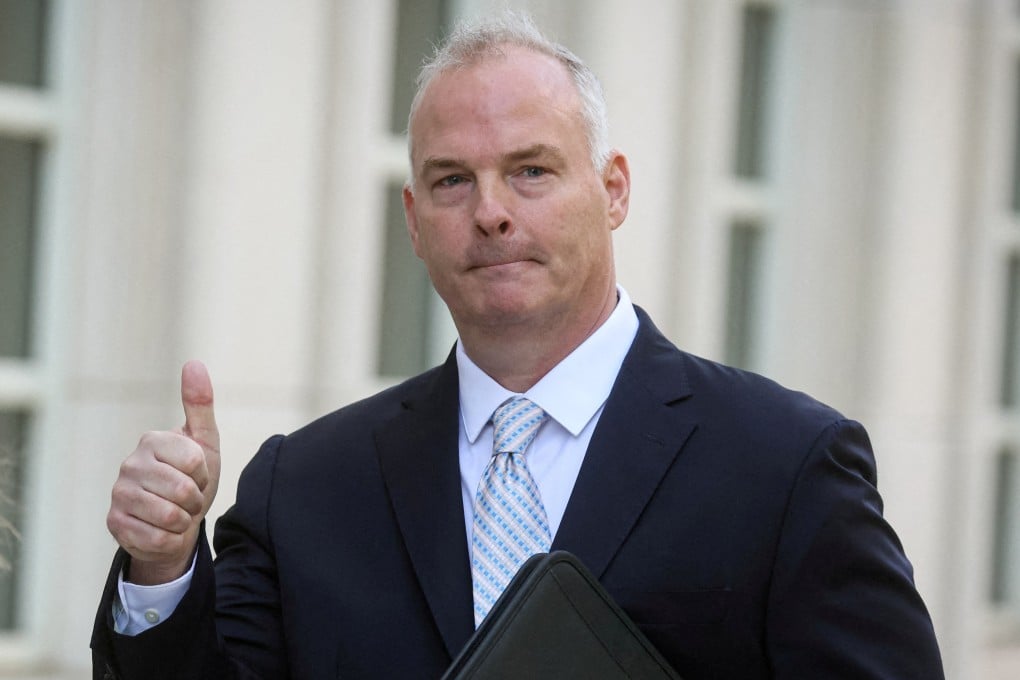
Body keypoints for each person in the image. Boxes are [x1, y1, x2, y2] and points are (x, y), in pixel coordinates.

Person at [91, 11, 944, 679]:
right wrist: (162, 566)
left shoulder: (784, 468)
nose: (492, 210)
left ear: (612, 190)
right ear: (414, 222)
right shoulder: (304, 488)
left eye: (531, 170)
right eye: (452, 179)